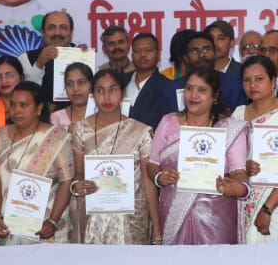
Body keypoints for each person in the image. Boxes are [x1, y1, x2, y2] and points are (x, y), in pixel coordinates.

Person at [147, 65, 250, 245]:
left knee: (215, 262)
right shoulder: (168, 122)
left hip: (216, 219)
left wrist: (238, 187)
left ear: (215, 95)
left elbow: (239, 173)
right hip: (173, 213)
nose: (193, 95)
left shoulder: (229, 129)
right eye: (189, 88)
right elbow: (152, 163)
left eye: (202, 90)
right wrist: (159, 177)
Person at [70, 68, 161, 245]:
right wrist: (77, 185)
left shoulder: (140, 131)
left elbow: (148, 182)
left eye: (113, 90)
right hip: (94, 216)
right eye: (100, 91)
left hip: (130, 218)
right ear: (92, 94)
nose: (106, 97)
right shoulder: (81, 130)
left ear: (122, 92)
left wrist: (156, 227)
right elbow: (79, 173)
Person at [0, 82, 74, 244]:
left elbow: (66, 181)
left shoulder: (57, 137)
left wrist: (53, 220)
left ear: (39, 108)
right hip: (8, 225)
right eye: (12, 104)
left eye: (24, 105)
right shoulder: (1, 135)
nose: (16, 111)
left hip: (45, 227)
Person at [234, 55, 278, 243]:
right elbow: (228, 160)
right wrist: (242, 165)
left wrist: (267, 209)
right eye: (247, 80)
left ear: (273, 81)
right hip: (243, 199)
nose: (252, 85)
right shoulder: (238, 114)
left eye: (259, 79)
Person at [50, 62, 94, 238]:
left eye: (81, 82)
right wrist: (66, 135)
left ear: (91, 85)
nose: (75, 89)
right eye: (70, 84)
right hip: (62, 191)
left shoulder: (102, 117)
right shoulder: (55, 118)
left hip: (95, 189)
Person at [162, 30, 246, 112]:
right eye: (195, 51)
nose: (201, 55)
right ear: (186, 58)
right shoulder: (171, 88)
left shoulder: (235, 85)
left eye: (206, 50)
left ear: (215, 53)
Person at [23, 10, 89, 109]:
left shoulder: (83, 55)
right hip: (41, 117)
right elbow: (24, 94)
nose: (57, 33)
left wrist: (84, 59)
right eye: (51, 28)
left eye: (63, 28)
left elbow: (95, 93)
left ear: (71, 32)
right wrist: (39, 63)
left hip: (79, 117)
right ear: (43, 32)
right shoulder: (26, 58)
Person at [127, 32, 175, 128]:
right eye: (137, 51)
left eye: (148, 50)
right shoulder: (120, 81)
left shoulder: (168, 87)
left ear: (158, 55)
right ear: (131, 56)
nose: (142, 54)